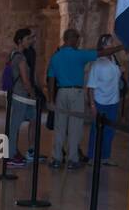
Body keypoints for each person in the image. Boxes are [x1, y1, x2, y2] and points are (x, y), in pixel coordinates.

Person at [47, 27, 121, 170]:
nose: (78, 42)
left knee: (60, 127)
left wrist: (51, 99)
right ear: (72, 39)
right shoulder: (79, 55)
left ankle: (56, 158)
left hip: (61, 92)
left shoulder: (55, 57)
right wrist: (121, 47)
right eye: (77, 39)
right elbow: (103, 52)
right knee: (75, 127)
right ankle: (72, 159)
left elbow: (51, 79)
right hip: (76, 93)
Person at [85, 33, 123, 164]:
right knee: (96, 130)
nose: (112, 45)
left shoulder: (114, 60)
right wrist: (92, 105)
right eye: (110, 42)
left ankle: (105, 156)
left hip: (113, 101)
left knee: (110, 131)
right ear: (103, 45)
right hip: (100, 101)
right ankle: (92, 156)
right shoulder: (98, 64)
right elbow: (90, 87)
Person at [6, 28, 41, 168]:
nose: (30, 41)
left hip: (20, 95)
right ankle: (10, 155)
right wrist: (33, 94)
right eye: (28, 39)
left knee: (32, 118)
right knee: (14, 125)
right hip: (21, 95)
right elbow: (26, 81)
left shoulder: (14, 54)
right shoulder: (20, 57)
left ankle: (18, 152)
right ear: (20, 40)